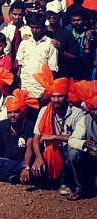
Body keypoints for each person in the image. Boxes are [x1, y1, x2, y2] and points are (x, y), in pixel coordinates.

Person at [32, 65, 84, 196]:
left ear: (66, 97)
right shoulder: (44, 111)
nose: (56, 100)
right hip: (49, 151)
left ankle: (67, 182)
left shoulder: (77, 113)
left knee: (72, 150)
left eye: (60, 96)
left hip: (67, 151)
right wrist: (38, 158)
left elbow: (78, 139)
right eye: (53, 96)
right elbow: (36, 138)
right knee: (37, 175)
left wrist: (54, 137)